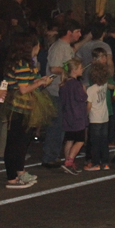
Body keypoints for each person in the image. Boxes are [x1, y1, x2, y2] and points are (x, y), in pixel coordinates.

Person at [3, 33, 53, 187]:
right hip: (18, 109)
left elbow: (28, 82)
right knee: (15, 143)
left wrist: (41, 81)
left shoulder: (25, 63)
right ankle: (12, 177)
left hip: (23, 108)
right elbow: (24, 89)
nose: (39, 48)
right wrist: (39, 83)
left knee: (22, 142)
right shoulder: (22, 64)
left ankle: (20, 171)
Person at [41, 20, 82, 168]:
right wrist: (69, 72)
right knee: (56, 125)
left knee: (60, 125)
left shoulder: (66, 47)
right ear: (69, 32)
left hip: (62, 91)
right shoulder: (59, 47)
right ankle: (49, 156)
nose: (79, 34)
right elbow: (53, 68)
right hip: (56, 91)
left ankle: (54, 154)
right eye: (77, 31)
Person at [59, 58, 88, 175]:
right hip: (77, 117)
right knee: (80, 140)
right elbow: (82, 98)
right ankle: (69, 161)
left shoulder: (63, 84)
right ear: (75, 70)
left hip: (67, 116)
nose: (82, 70)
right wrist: (84, 91)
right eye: (80, 68)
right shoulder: (76, 85)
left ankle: (68, 161)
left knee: (69, 139)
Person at [85, 61, 110, 171]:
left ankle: (95, 163)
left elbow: (89, 106)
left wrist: (85, 115)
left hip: (95, 119)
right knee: (104, 141)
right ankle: (105, 162)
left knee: (95, 142)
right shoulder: (104, 85)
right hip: (105, 117)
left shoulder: (90, 90)